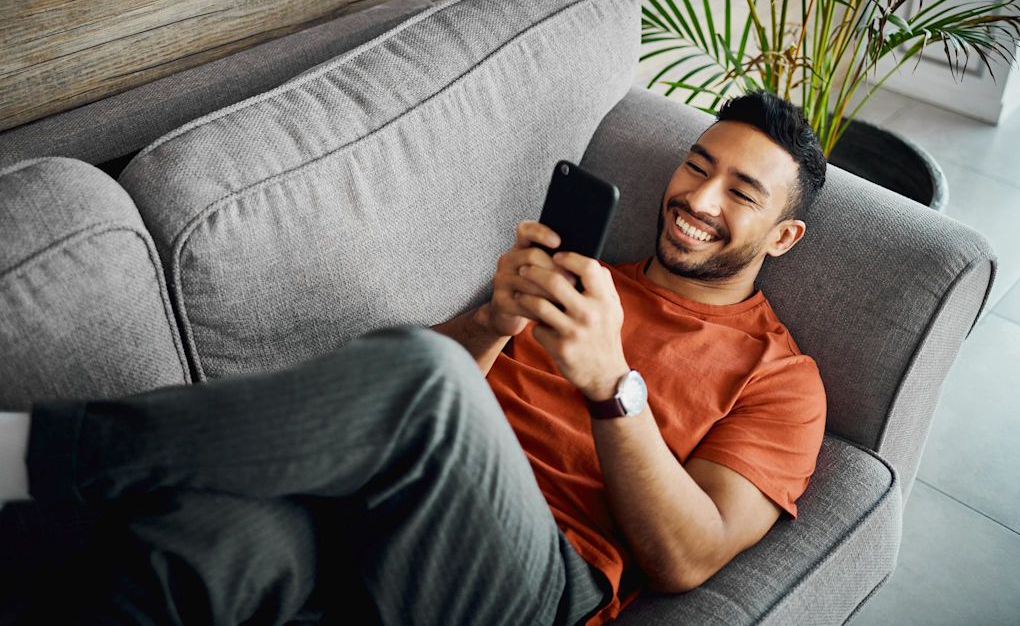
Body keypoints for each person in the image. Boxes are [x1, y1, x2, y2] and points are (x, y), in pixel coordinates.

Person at [0, 90, 827, 625]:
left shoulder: (782, 378)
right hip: (391, 508)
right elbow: (397, 394)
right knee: (202, 543)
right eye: (698, 165)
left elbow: (687, 555)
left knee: (429, 383)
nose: (698, 199)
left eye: (741, 194)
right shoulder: (583, 277)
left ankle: (29, 453)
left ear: (783, 236)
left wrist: (614, 384)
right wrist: (495, 322)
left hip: (539, 575)